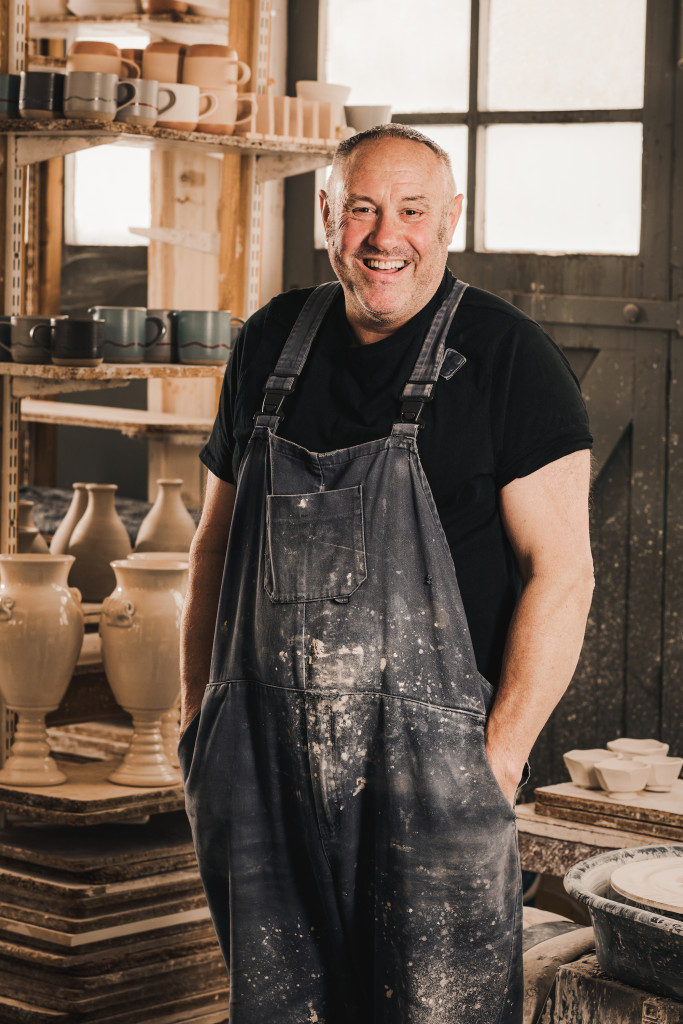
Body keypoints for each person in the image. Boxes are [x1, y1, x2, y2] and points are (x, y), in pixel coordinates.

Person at [179, 124, 594, 1024]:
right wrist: (197, 716)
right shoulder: (268, 344)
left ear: (450, 221)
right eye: (361, 208)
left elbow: (562, 574)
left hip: (433, 774)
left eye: (410, 211)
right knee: (276, 1009)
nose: (383, 236)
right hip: (261, 765)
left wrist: (500, 757)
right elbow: (214, 544)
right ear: (326, 214)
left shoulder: (509, 358)